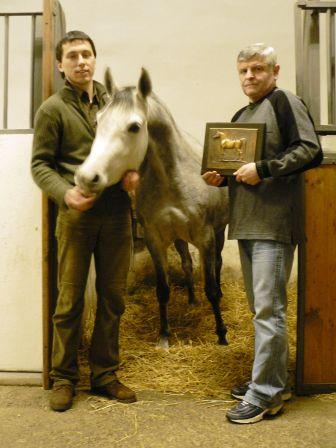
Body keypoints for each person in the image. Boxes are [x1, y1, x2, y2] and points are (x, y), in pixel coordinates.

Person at [203, 43, 323, 424]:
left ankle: (266, 395)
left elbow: (310, 150)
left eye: (257, 69)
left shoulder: (285, 102)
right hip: (247, 223)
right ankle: (271, 380)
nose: (250, 76)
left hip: (274, 224)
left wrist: (265, 169)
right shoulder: (242, 114)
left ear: (275, 70)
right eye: (243, 71)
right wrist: (220, 178)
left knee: (270, 311)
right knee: (261, 311)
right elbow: (241, 168)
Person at [31, 30, 139, 412]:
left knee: (113, 298)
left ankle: (105, 374)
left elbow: (130, 147)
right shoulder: (52, 110)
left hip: (116, 214)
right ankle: (64, 378)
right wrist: (65, 194)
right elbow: (40, 165)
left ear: (95, 59)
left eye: (86, 54)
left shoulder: (114, 105)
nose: (81, 61)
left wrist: (132, 173)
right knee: (70, 300)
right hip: (75, 217)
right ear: (60, 66)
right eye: (72, 56)